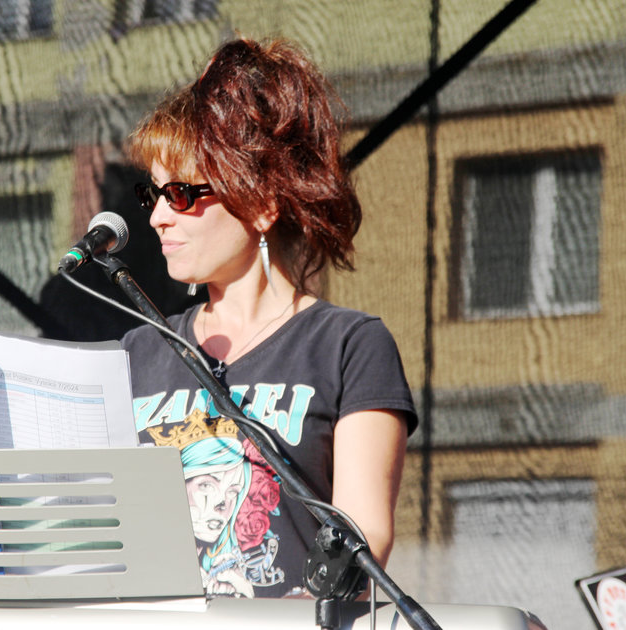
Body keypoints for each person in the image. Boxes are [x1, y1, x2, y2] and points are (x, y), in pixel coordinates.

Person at [121, 37, 418, 599]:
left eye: (180, 194)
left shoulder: (349, 346)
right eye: (152, 195)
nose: (158, 217)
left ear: (260, 203)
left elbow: (364, 536)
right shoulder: (138, 352)